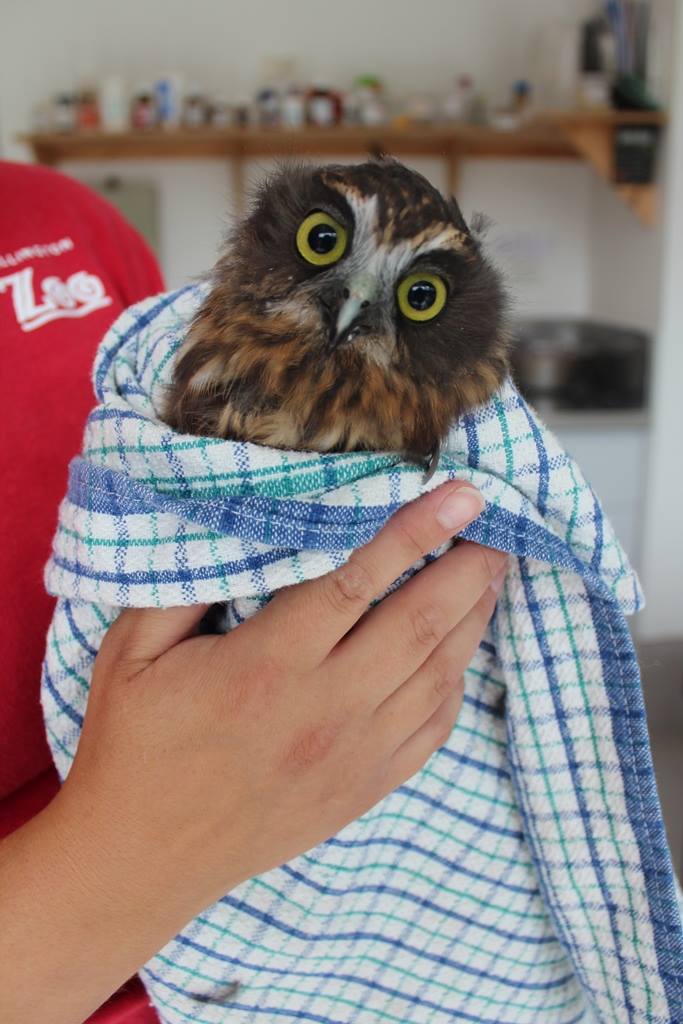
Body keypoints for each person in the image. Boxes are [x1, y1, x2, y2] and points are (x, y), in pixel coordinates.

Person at [0, 161, 507, 1024]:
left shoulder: (65, 219)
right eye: (323, 245)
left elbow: (161, 417)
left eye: (415, 298)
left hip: (333, 945)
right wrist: (135, 847)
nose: (351, 307)